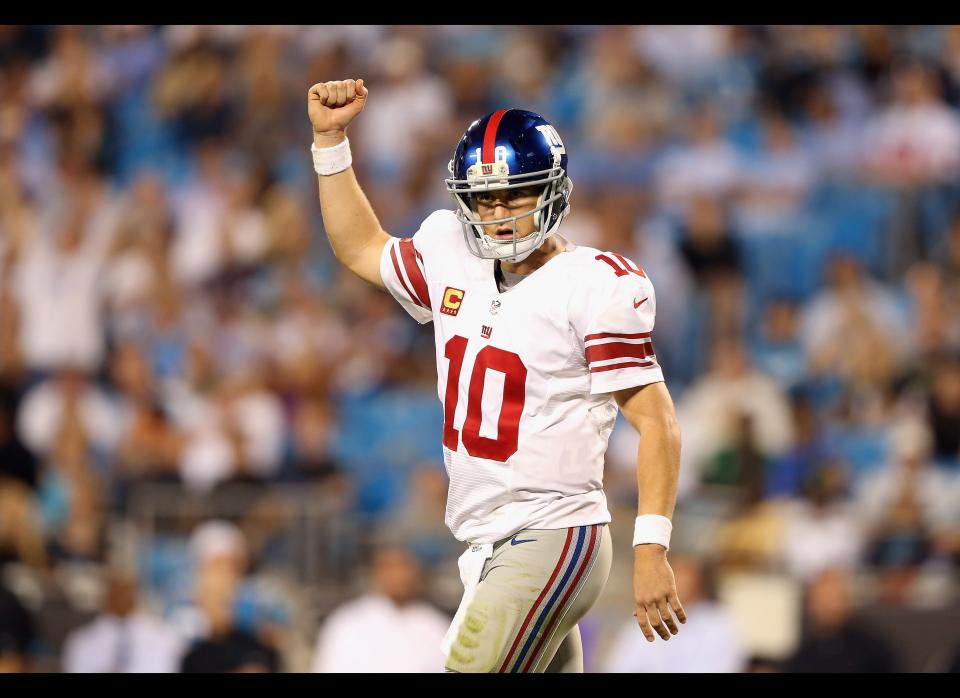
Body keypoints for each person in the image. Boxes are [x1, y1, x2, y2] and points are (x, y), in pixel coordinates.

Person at [306, 78, 685, 673]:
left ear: (553, 192)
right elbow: (360, 247)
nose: (499, 214)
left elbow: (658, 421)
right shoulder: (450, 249)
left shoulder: (596, 285)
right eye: (485, 199)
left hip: (555, 533)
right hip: (491, 541)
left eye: (515, 196)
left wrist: (652, 546)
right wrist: (330, 141)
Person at [311, 544, 451, 673]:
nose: (397, 576)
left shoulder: (435, 625)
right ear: (375, 573)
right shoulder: (347, 622)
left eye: (403, 567)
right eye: (389, 568)